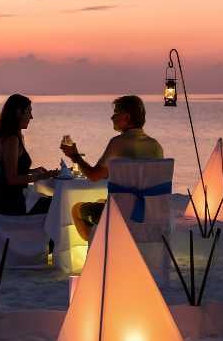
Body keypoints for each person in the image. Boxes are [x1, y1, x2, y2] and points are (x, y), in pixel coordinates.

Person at [61, 95, 163, 240]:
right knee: (100, 202)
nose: (112, 117)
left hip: (122, 216)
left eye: (116, 113)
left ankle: (101, 246)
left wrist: (75, 156)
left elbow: (93, 175)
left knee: (76, 209)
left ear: (127, 118)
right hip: (150, 213)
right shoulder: (155, 146)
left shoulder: (118, 143)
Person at [0, 94, 56, 215]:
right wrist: (43, 176)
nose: (31, 117)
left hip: (9, 206)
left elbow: (10, 171)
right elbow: (11, 179)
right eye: (28, 112)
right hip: (8, 210)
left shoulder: (12, 136)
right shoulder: (11, 140)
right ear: (18, 113)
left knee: (51, 202)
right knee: (56, 204)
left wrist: (32, 171)